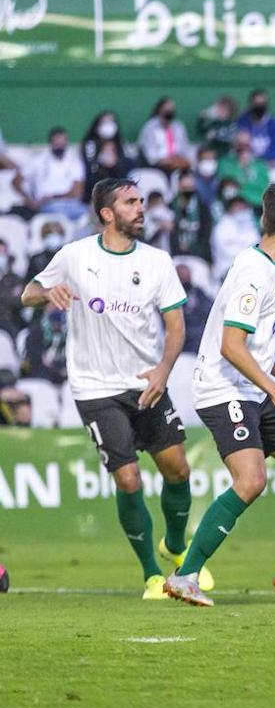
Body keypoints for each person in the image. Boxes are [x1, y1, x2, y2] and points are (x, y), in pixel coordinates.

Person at [22, 178, 205, 601]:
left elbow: (176, 325)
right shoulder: (75, 255)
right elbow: (29, 292)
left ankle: (175, 545)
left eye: (141, 201)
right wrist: (49, 292)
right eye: (130, 202)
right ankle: (151, 576)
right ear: (107, 214)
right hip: (96, 387)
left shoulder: (158, 261)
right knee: (127, 479)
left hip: (146, 381)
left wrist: (163, 371)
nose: (141, 208)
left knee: (178, 469)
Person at [165, 184, 275, 607]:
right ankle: (184, 575)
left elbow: (254, 343)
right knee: (251, 480)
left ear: (265, 220)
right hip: (224, 388)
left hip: (252, 387)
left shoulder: (269, 270)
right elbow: (231, 345)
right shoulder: (254, 271)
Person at [22, 127, 85, 220]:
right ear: (51, 143)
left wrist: (53, 197)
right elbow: (16, 181)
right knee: (58, 215)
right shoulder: (39, 160)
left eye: (62, 142)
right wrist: (29, 200)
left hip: (71, 204)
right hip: (47, 205)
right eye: (57, 143)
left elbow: (77, 191)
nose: (60, 145)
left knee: (93, 215)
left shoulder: (74, 161)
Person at [139, 97, 194, 174]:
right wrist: (166, 161)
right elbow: (150, 155)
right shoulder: (150, 128)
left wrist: (179, 160)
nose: (169, 113)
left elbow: (184, 148)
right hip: (158, 165)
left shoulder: (178, 127)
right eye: (166, 110)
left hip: (177, 163)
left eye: (171, 110)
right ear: (159, 111)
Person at [218, 131, 269, 209]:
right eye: (240, 144)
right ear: (234, 144)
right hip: (234, 206)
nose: (243, 147)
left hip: (257, 206)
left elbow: (264, 189)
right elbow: (226, 187)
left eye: (246, 144)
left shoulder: (260, 165)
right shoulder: (225, 163)